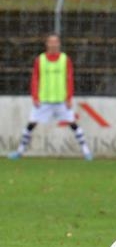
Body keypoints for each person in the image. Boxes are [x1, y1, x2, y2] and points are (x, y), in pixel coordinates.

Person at [8, 33, 93, 161]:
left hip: (61, 100)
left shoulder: (65, 59)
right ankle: (19, 152)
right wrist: (35, 97)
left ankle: (86, 152)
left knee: (73, 124)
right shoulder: (40, 59)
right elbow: (35, 79)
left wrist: (69, 98)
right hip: (44, 100)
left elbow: (69, 79)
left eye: (55, 42)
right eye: (51, 42)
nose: (53, 44)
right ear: (47, 44)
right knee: (31, 124)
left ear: (59, 44)